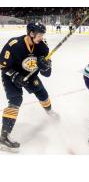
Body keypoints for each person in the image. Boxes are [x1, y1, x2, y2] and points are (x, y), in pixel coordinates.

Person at [0, 22, 59, 152]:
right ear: (31, 33)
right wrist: (14, 75)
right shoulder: (14, 45)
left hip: (30, 75)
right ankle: (3, 136)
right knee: (15, 100)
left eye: (43, 35)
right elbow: (2, 65)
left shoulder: (42, 47)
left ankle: (50, 111)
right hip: (10, 75)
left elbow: (47, 74)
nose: (42, 37)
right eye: (39, 35)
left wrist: (45, 66)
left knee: (42, 94)